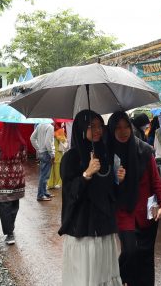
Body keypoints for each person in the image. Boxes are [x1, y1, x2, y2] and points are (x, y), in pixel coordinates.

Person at [59, 110, 124, 286]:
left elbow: (110, 192)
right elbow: (70, 193)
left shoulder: (104, 154)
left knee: (103, 272)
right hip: (84, 228)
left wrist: (119, 180)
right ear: (81, 129)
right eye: (91, 126)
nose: (97, 130)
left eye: (99, 126)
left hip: (103, 226)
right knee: (87, 274)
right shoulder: (71, 158)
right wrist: (86, 174)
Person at [108, 111, 161, 286]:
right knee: (130, 251)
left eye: (126, 126)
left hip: (146, 211)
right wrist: (115, 180)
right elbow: (103, 187)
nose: (123, 131)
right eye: (118, 127)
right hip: (123, 211)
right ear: (112, 129)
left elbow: (155, 181)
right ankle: (117, 280)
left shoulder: (144, 150)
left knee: (145, 255)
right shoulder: (108, 153)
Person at [0, 123, 27, 245]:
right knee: (14, 204)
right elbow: (24, 159)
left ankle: (9, 233)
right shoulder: (22, 143)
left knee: (4, 206)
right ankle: (10, 228)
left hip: (3, 179)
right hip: (18, 178)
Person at [30, 123, 55, 201]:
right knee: (44, 175)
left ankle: (44, 192)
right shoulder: (50, 127)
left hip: (42, 152)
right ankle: (41, 195)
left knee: (43, 174)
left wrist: (38, 149)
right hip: (46, 153)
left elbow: (32, 138)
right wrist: (52, 154)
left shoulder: (39, 125)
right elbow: (48, 142)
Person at [48, 122, 66, 190]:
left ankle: (59, 183)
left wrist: (57, 135)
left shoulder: (60, 130)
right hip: (51, 153)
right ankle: (50, 183)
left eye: (54, 123)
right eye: (52, 123)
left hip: (58, 153)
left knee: (57, 169)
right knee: (51, 169)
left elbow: (64, 140)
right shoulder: (50, 131)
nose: (52, 124)